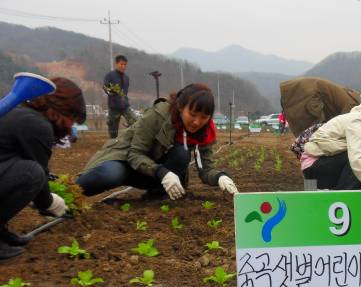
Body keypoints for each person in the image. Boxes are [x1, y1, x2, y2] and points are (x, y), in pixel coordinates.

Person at [77, 83, 238, 199]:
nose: (197, 122)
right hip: (125, 162)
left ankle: (158, 193)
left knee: (182, 154)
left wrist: (220, 177)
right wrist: (163, 173)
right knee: (110, 175)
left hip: (153, 176)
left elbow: (206, 170)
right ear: (181, 107)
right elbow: (134, 154)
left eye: (204, 117)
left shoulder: (205, 131)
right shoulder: (159, 115)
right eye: (193, 114)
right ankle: (68, 193)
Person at [0, 77, 86, 260]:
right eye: (73, 119)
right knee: (31, 174)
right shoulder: (39, 126)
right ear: (63, 112)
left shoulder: (25, 114)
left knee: (31, 173)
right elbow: (37, 175)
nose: (72, 126)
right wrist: (51, 203)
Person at [296, 104, 361, 192]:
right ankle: (345, 201)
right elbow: (358, 161)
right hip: (313, 168)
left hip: (324, 163)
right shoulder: (360, 121)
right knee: (360, 162)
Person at [280, 77, 361, 136]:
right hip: (310, 97)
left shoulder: (352, 96)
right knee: (314, 136)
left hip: (306, 91)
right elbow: (343, 128)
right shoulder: (353, 104)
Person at [104, 54, 136, 138]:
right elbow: (106, 88)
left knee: (136, 123)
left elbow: (125, 92)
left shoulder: (126, 78)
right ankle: (113, 147)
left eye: (125, 65)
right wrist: (112, 90)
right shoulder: (110, 76)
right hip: (114, 107)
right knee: (113, 133)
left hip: (125, 106)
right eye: (121, 64)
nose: (123, 66)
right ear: (116, 64)